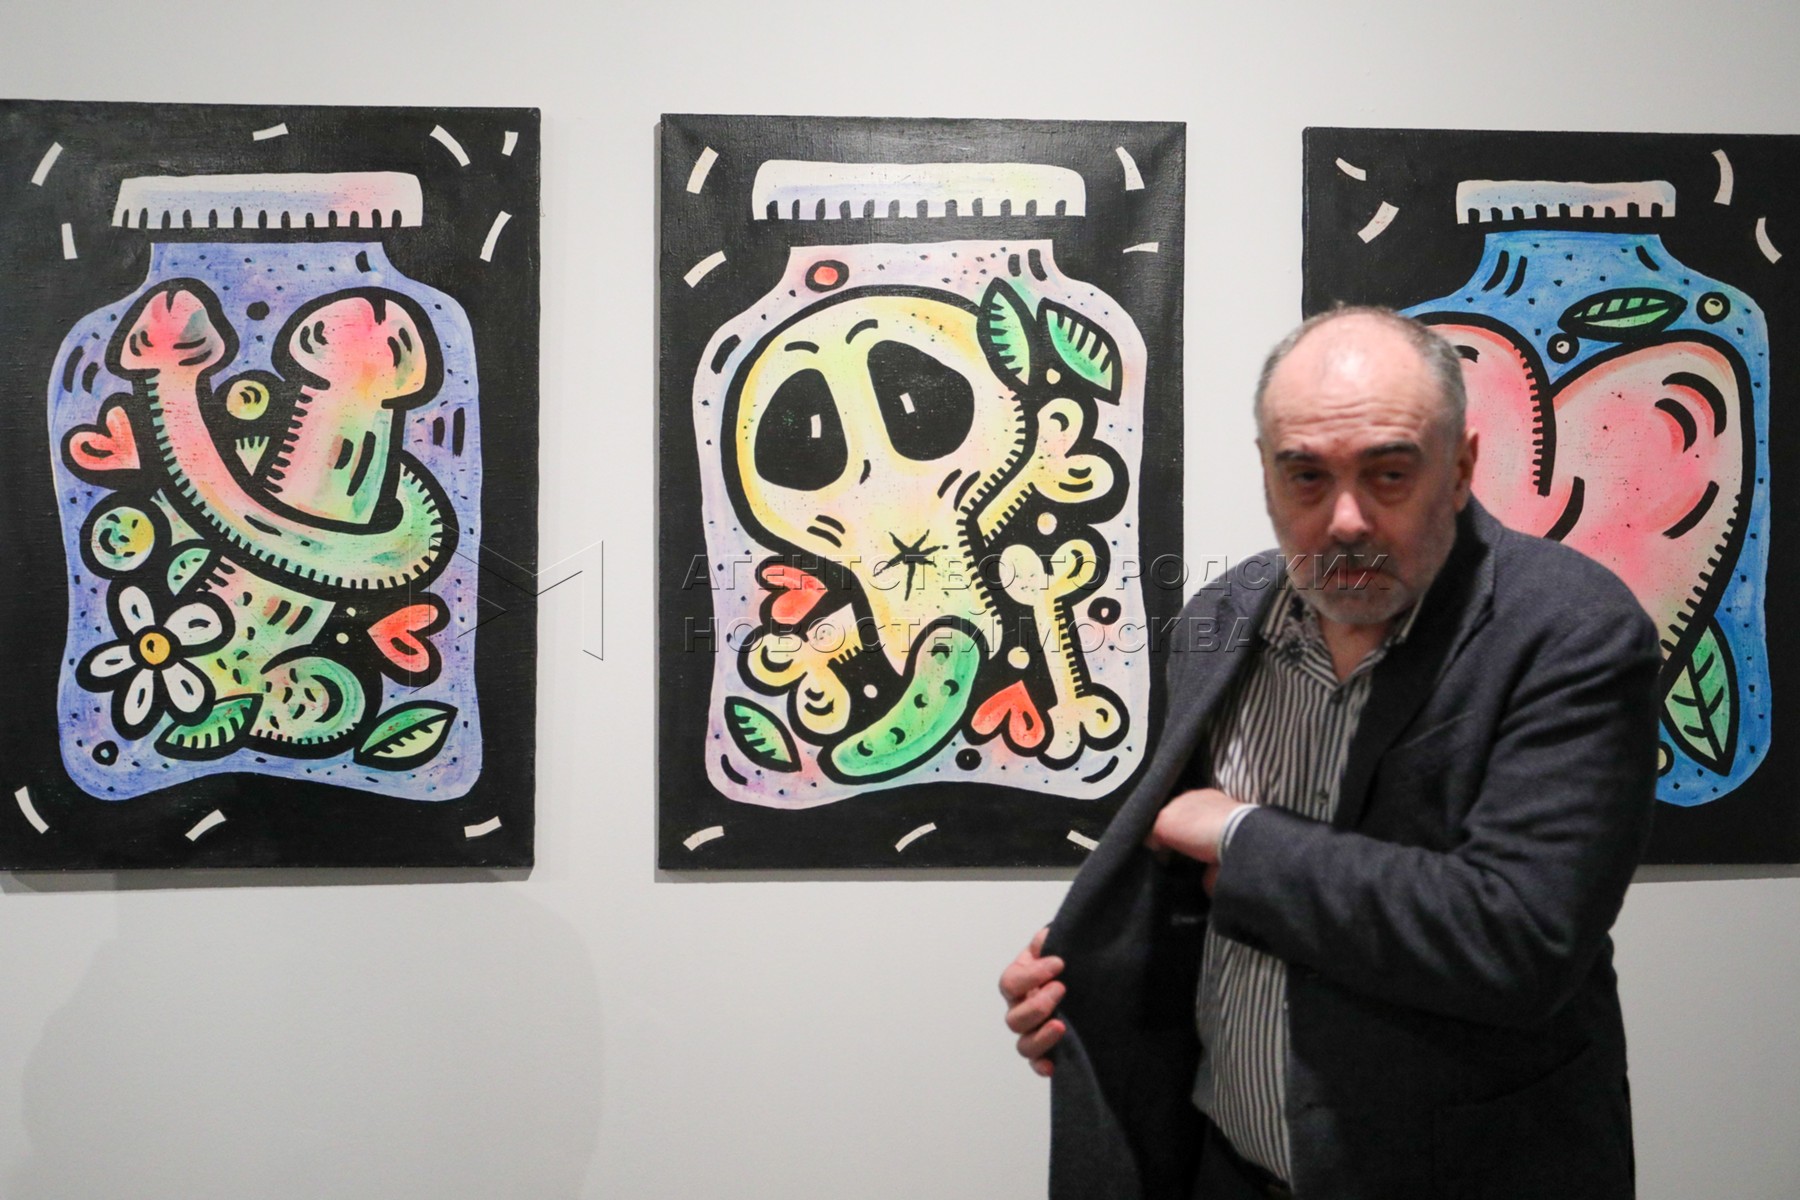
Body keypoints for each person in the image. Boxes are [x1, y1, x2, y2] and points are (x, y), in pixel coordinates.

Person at [998, 308, 1661, 1200]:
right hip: (1228, 1166)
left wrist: (1239, 834)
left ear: (1460, 468)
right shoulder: (1218, 621)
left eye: (1389, 473)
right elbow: (1199, 906)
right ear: (1267, 473)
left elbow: (1517, 940)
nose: (1346, 520)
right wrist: (1085, 984)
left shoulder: (1571, 630)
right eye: (1306, 475)